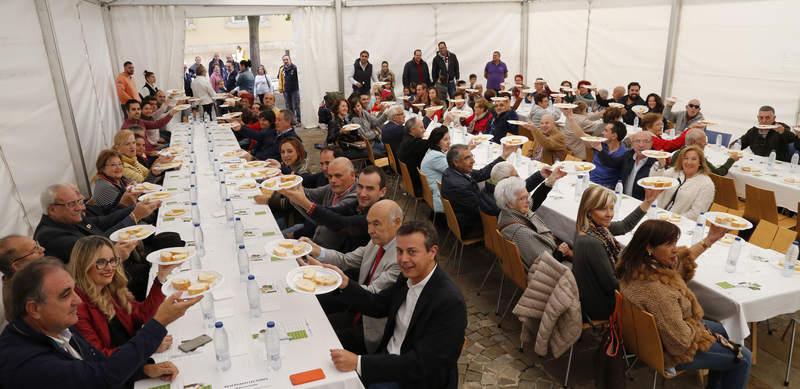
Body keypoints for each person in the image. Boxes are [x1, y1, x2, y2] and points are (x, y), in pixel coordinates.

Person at [0, 258, 201, 388]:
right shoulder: (25, 363)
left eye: (113, 260)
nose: (77, 301)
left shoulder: (56, 326)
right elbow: (100, 379)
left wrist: (142, 370)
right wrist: (159, 322)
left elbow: (97, 362)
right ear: (34, 309)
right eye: (65, 295)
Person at [324, 221, 466, 388]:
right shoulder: (407, 277)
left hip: (413, 381)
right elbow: (378, 305)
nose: (403, 259)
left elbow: (423, 364)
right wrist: (344, 283)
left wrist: (359, 363)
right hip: (387, 360)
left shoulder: (449, 303)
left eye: (412, 252)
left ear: (432, 252)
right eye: (399, 251)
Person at [617, 220, 751, 389]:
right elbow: (680, 342)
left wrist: (708, 240)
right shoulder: (658, 293)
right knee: (744, 358)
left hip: (648, 338)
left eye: (675, 243)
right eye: (669, 244)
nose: (674, 249)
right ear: (649, 247)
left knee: (723, 329)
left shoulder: (635, 266)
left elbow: (680, 260)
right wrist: (700, 329)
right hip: (671, 351)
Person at [300, 200, 403, 353]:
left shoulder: (400, 258)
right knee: (311, 325)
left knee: (318, 341)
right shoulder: (377, 241)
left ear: (397, 223)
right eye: (369, 224)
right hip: (356, 312)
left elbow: (371, 296)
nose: (370, 230)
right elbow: (346, 260)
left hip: (370, 328)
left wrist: (340, 280)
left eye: (376, 224)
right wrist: (316, 250)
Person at [67, 236, 174, 358]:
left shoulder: (110, 289)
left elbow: (143, 315)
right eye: (101, 262)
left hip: (132, 359)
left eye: (112, 260)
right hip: (122, 367)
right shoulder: (77, 307)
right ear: (83, 266)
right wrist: (146, 346)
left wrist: (161, 276)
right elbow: (99, 357)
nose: (110, 268)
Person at [571, 185, 660, 321]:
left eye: (611, 208)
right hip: (601, 307)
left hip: (592, 297)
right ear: (588, 211)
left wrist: (647, 202)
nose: (609, 214)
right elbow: (613, 285)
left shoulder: (591, 228)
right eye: (602, 209)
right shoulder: (591, 242)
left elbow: (624, 226)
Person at [33, 184, 156, 264]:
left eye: (79, 201)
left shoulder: (68, 218)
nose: (80, 208)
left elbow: (104, 221)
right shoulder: (49, 236)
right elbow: (96, 248)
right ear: (52, 210)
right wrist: (134, 216)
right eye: (71, 204)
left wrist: (136, 207)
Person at [281, 166, 387, 252]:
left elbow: (339, 222)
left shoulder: (378, 215)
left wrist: (304, 202)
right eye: (360, 186)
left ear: (382, 192)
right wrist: (295, 193)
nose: (363, 193)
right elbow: (331, 212)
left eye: (369, 189)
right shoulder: (358, 203)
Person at [494, 175, 572, 268]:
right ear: (509, 204)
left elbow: (532, 202)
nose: (527, 201)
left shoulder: (505, 213)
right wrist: (560, 252)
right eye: (522, 198)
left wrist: (549, 182)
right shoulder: (521, 232)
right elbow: (547, 264)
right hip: (554, 271)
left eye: (527, 196)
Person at [441, 143, 517, 239]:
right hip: (470, 227)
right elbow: (486, 210)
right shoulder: (460, 186)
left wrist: (503, 156)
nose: (473, 161)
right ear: (456, 162)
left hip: (463, 217)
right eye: (467, 158)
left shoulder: (452, 171)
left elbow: (481, 174)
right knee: (514, 213)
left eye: (471, 156)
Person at [651, 145, 715, 221]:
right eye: (686, 158)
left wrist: (671, 219)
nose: (689, 162)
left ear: (700, 162)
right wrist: (660, 165)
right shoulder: (674, 172)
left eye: (694, 159)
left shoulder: (706, 184)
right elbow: (654, 182)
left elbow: (696, 214)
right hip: (657, 215)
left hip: (680, 223)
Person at [594, 131, 657, 200]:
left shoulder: (655, 162)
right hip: (624, 198)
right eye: (637, 141)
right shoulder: (629, 155)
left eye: (646, 141)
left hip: (641, 202)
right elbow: (612, 163)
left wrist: (661, 166)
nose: (641, 145)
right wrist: (600, 149)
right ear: (632, 144)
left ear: (651, 144)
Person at [0, 236, 46, 323]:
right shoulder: (26, 295)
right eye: (35, 249)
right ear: (17, 265)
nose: (42, 249)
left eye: (37, 244)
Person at [670, 129, 740, 176]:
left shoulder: (676, 153)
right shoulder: (697, 158)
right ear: (694, 143)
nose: (705, 145)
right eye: (703, 143)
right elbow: (719, 173)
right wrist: (731, 159)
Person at [420, 127, 453, 214]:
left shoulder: (431, 150)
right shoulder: (437, 157)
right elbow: (455, 171)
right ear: (437, 142)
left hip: (432, 191)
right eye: (445, 139)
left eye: (449, 138)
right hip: (439, 196)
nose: (449, 142)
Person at [588, 121, 628, 188]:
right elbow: (582, 135)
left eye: (606, 131)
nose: (602, 133)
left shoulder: (623, 153)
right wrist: (571, 119)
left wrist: (600, 150)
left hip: (606, 188)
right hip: (589, 181)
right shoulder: (601, 144)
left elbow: (610, 163)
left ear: (614, 136)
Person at [397, 117, 428, 197]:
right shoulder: (415, 143)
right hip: (419, 187)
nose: (424, 130)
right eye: (421, 127)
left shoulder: (406, 138)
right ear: (412, 130)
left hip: (409, 181)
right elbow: (434, 142)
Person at [278, 55, 301, 123]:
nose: (285, 61)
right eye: (284, 60)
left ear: (290, 60)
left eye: (287, 59)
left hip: (294, 90)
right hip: (286, 90)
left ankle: (299, 120)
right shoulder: (282, 69)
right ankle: (291, 120)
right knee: (288, 106)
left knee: (296, 105)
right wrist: (281, 88)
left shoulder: (294, 68)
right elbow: (280, 78)